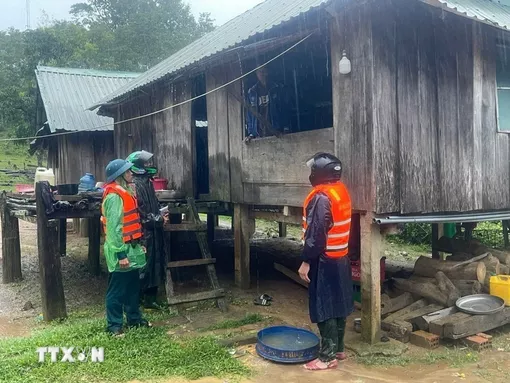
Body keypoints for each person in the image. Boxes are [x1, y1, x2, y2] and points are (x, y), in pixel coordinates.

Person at [298, 152, 354, 370]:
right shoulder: (339, 192)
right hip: (340, 257)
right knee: (339, 303)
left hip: (324, 259)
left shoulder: (321, 198)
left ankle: (326, 357)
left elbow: (316, 236)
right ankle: (338, 349)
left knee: (324, 306)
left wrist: (306, 261)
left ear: (319, 173)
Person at [101, 159, 151, 336]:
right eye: (128, 171)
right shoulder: (114, 197)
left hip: (132, 247)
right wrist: (121, 254)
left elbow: (132, 224)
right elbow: (114, 230)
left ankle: (134, 319)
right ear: (120, 175)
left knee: (132, 286)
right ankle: (114, 325)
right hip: (120, 250)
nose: (131, 173)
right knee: (117, 288)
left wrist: (139, 245)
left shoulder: (126, 192)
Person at [126, 150, 167, 310]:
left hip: (154, 230)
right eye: (142, 164)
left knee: (156, 263)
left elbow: (154, 205)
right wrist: (158, 219)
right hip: (143, 232)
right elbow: (141, 214)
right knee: (144, 265)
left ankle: (151, 299)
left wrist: (162, 213)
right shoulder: (136, 185)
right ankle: (138, 300)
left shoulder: (147, 182)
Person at [245, 65, 292, 141]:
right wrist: (251, 133)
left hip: (276, 131)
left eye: (263, 71)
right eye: (259, 71)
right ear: (256, 74)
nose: (261, 73)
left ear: (267, 72)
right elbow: (249, 115)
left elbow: (283, 109)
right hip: (259, 133)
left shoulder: (277, 88)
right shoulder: (252, 92)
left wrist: (286, 127)